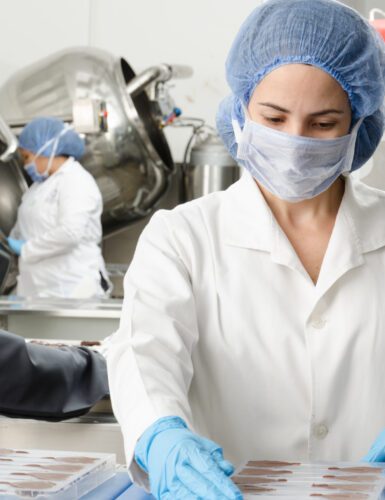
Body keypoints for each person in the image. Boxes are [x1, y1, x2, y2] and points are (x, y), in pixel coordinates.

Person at [107, 0, 385, 498]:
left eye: (323, 124)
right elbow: (143, 354)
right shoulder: (183, 237)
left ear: (359, 124)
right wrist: (161, 434)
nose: (295, 141)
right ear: (240, 112)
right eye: (274, 117)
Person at [7, 117, 111, 298]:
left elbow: (70, 233)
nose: (26, 165)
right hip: (38, 289)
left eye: (27, 157)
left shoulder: (76, 180)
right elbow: (27, 224)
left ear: (45, 149)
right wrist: (11, 241)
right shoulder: (38, 186)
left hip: (73, 289)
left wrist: (26, 248)